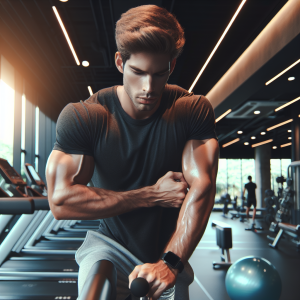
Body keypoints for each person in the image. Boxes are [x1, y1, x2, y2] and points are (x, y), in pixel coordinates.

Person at [46, 5, 219, 300]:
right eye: (138, 72)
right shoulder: (86, 116)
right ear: (120, 62)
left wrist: (171, 262)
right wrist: (150, 195)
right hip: (108, 244)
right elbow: (61, 201)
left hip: (169, 249)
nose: (149, 87)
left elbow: (202, 187)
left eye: (158, 73)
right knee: (96, 285)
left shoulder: (192, 109)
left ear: (171, 67)